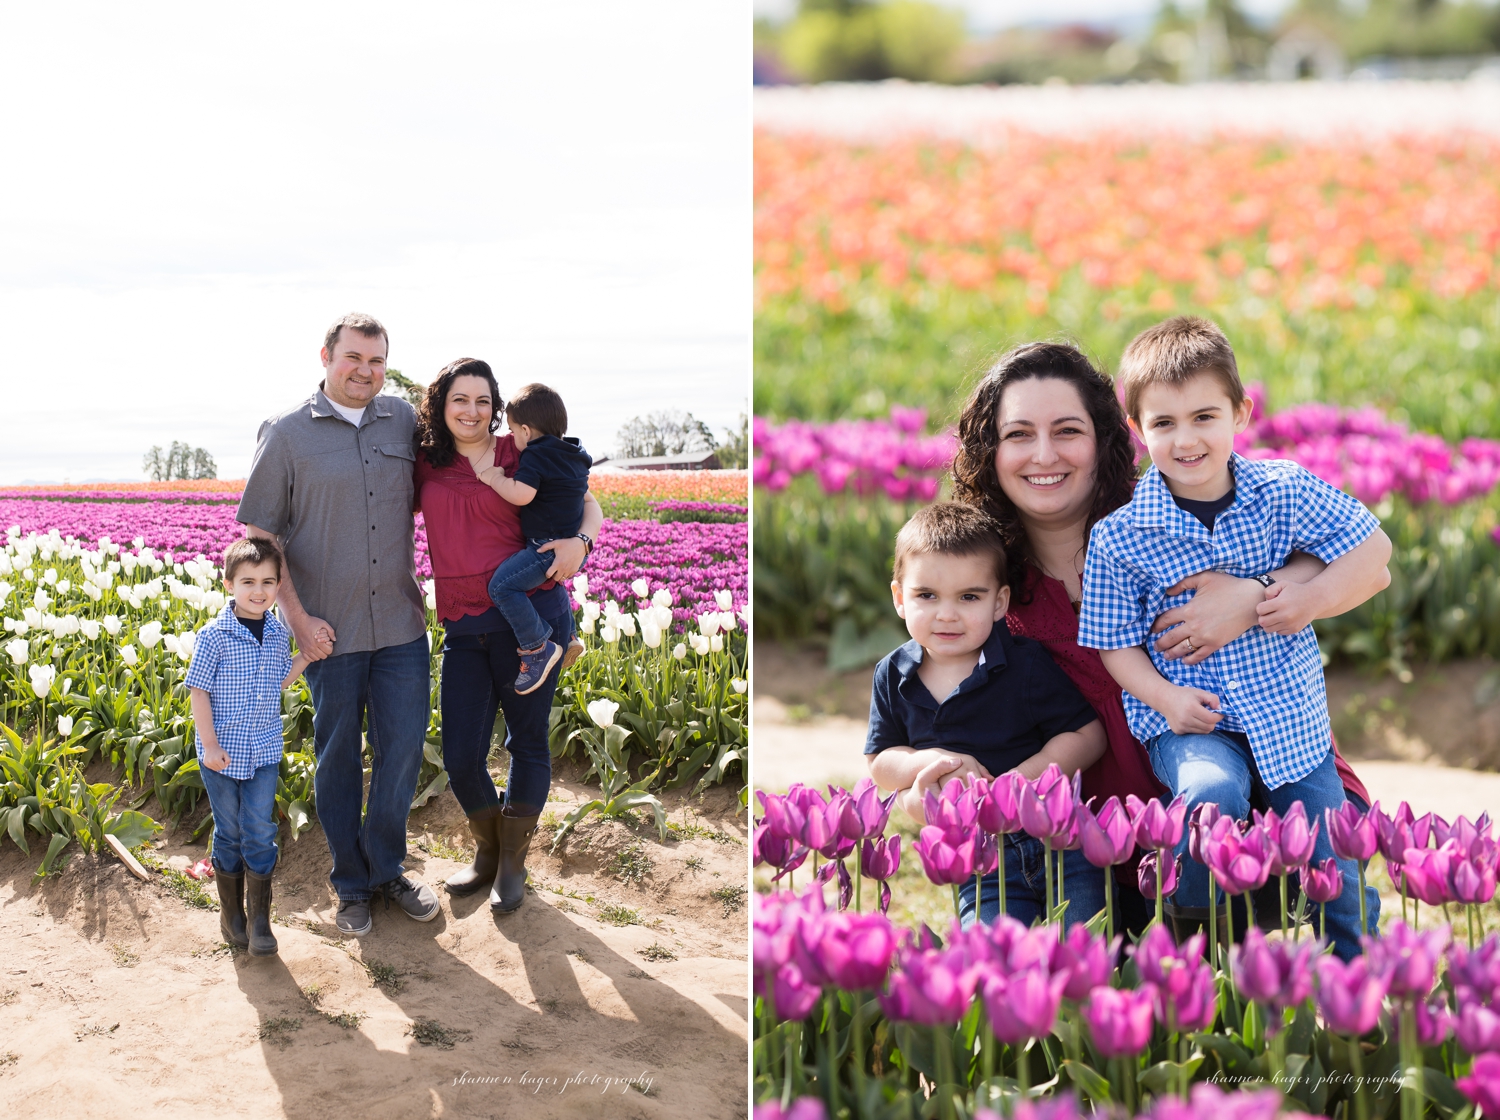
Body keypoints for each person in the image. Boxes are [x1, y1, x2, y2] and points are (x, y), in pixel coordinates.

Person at [875, 340, 1386, 941]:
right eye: (1018, 435)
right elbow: (938, 738)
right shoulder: (981, 591)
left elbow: (1353, 558)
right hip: (1097, 859)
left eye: (1067, 430)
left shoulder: (1167, 518)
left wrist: (1253, 595)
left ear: (1108, 437)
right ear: (991, 450)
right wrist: (931, 792)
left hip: (1254, 799)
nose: (1044, 455)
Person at [1077, 316, 1391, 959]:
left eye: (1204, 417)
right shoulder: (1121, 534)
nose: (1185, 439)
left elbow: (1373, 550)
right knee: (1210, 793)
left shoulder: (1284, 492)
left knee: (1332, 849)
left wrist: (1305, 600)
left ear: (1240, 413)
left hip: (1290, 719)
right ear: (1138, 431)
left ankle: (1360, 980)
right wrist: (1166, 702)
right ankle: (1194, 934)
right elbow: (1113, 644)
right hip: (1192, 720)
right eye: (1163, 424)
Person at [237, 312, 439, 937]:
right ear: (325, 356)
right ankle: (350, 884)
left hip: (401, 622)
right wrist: (295, 619)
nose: (365, 371)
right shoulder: (289, 433)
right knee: (338, 759)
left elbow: (475, 452)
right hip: (330, 632)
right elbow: (261, 535)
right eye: (353, 358)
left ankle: (387, 869)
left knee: (402, 752)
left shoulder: (403, 421)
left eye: (377, 361)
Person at [413, 358, 601, 912]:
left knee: (528, 740)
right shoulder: (424, 462)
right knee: (461, 753)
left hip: (532, 619)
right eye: (459, 400)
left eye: (482, 401)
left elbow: (587, 501)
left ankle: (513, 863)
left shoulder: (518, 452)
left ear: (497, 408)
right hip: (464, 621)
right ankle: (489, 850)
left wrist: (581, 545)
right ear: (441, 406)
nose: (472, 412)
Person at [865, 502, 1107, 928]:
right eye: (927, 596)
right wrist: (922, 761)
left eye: (969, 597)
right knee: (991, 962)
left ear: (1000, 603)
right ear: (900, 598)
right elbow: (881, 763)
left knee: (1083, 957)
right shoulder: (893, 675)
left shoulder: (1024, 664)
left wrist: (1023, 780)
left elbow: (1088, 736)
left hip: (1062, 843)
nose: (947, 613)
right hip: (980, 858)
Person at [186, 537, 312, 956]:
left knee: (260, 831)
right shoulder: (214, 636)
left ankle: (260, 920)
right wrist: (209, 743)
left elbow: (277, 680)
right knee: (230, 832)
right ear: (228, 584)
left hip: (263, 752)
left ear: (278, 586)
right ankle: (231, 915)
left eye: (268, 581)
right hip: (220, 754)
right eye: (248, 581)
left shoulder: (277, 634)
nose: (258, 591)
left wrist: (307, 657)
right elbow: (198, 691)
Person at [477, 382, 592, 695]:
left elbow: (523, 494)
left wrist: (496, 477)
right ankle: (569, 637)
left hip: (545, 546)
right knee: (551, 581)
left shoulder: (537, 455)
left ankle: (538, 645)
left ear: (526, 431)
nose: (513, 439)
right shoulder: (575, 455)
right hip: (568, 543)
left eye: (513, 432)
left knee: (502, 586)